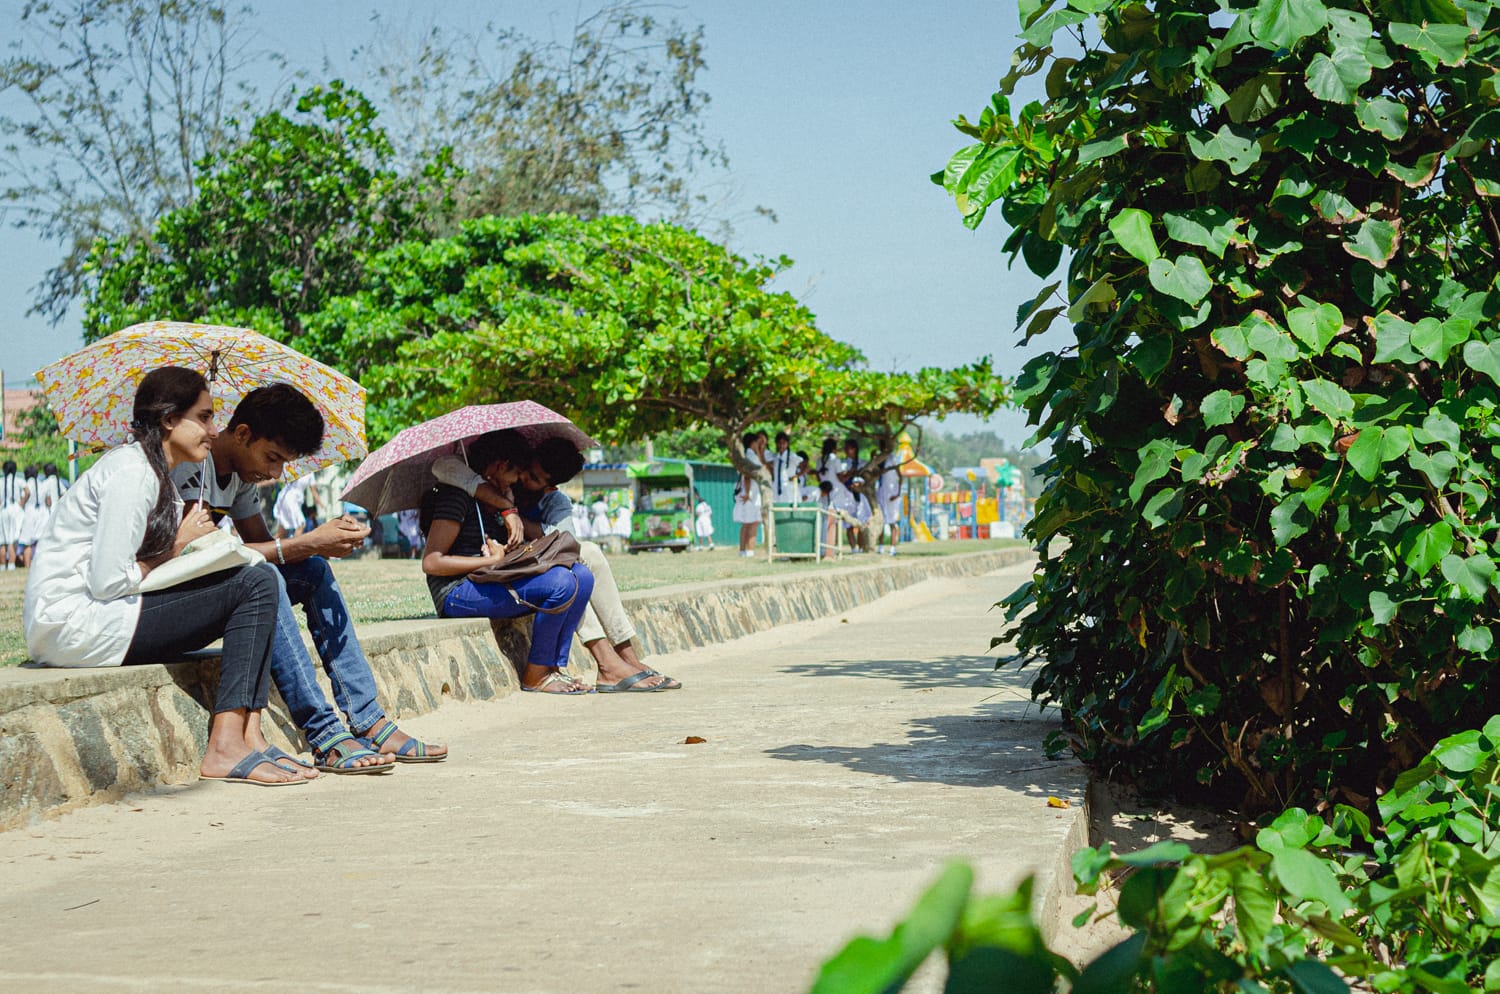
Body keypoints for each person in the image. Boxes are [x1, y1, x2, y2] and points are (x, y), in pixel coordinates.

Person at [22, 366, 300, 786]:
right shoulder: (131, 473)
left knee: (255, 574)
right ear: (170, 420)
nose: (212, 429)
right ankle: (225, 746)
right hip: (74, 625)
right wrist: (179, 546)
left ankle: (248, 736)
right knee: (256, 583)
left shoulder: (156, 475)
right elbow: (108, 582)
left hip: (105, 618)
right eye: (204, 417)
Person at [174, 383, 438, 772]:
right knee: (266, 576)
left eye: (284, 463)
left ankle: (367, 718)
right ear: (243, 433)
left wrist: (315, 546)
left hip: (222, 589)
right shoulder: (187, 464)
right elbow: (203, 555)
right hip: (173, 601)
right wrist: (308, 541)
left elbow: (260, 546)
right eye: (272, 457)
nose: (274, 472)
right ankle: (325, 733)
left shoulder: (241, 480)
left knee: (311, 572)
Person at [434, 436, 681, 692]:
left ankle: (626, 656)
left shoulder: (553, 501)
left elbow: (566, 544)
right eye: (524, 471)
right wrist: (505, 506)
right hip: (490, 575)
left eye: (534, 478)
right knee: (568, 577)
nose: (523, 479)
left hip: (518, 567)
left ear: (550, 487)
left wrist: (512, 514)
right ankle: (607, 662)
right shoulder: (487, 487)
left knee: (586, 559)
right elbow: (442, 467)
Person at [421, 430, 596, 694]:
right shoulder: (455, 496)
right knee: (560, 583)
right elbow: (432, 563)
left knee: (582, 576)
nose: (517, 482)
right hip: (455, 591)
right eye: (516, 474)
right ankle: (536, 674)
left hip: (485, 580)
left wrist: (504, 537)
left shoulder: (494, 501)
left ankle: (555, 668)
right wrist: (490, 560)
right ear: (502, 466)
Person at [733, 430, 769, 557]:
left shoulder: (746, 455)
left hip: (748, 492)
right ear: (752, 442)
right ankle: (750, 551)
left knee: (746, 523)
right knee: (753, 522)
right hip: (751, 493)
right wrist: (748, 493)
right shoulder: (750, 456)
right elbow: (748, 476)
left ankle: (743, 551)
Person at [876, 450, 903, 556]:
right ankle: (881, 546)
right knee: (881, 521)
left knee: (892, 522)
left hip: (892, 494)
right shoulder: (880, 458)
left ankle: (892, 547)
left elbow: (900, 476)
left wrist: (897, 493)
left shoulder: (892, 458)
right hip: (882, 492)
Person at [768, 431, 799, 505]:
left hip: (788, 488)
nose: (781, 445)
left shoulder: (792, 456)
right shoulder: (775, 457)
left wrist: (797, 475)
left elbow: (805, 466)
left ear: (787, 444)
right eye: (779, 443)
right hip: (776, 488)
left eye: (784, 443)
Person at [0, 460, 21, 569]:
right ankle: (12, 564)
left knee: (2, 540)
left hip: (3, 509)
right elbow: (27, 491)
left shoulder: (1, 481)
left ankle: (2, 566)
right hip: (15, 509)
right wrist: (21, 504)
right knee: (13, 538)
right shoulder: (18, 480)